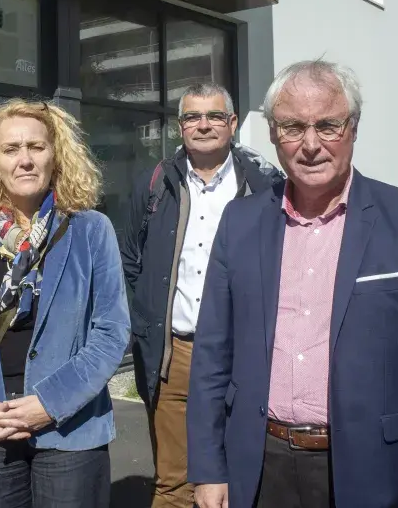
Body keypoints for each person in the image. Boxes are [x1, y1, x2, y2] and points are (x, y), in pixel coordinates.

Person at [188, 60, 398, 508]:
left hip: (373, 475)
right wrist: (208, 469)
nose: (310, 145)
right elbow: (212, 354)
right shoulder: (240, 222)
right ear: (271, 134)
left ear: (354, 127)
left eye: (328, 125)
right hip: (259, 467)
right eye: (292, 127)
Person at [0, 99, 130, 508]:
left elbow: (111, 332)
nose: (25, 160)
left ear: (56, 155)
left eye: (36, 147)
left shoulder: (91, 228)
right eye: (11, 149)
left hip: (70, 429)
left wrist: (48, 405)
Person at [120, 82, 283, 508]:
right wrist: (145, 327)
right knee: (174, 483)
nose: (203, 125)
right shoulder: (155, 184)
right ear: (180, 127)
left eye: (214, 116)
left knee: (244, 475)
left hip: (246, 354)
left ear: (232, 123)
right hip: (176, 354)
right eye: (192, 116)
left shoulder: (266, 186)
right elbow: (131, 262)